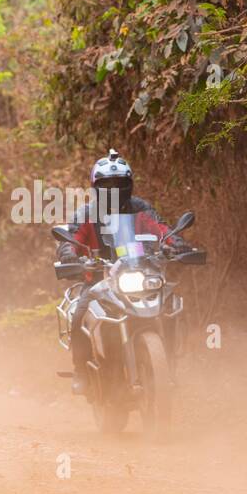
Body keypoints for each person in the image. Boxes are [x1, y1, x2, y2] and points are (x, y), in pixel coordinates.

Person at [56, 149, 186, 394]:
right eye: (108, 184)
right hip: (98, 280)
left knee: (170, 302)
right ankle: (81, 370)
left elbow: (161, 228)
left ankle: (169, 365)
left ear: (129, 185)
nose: (114, 189)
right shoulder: (86, 213)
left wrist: (175, 243)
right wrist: (70, 257)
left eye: (119, 183)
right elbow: (70, 240)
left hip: (139, 273)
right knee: (80, 311)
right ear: (96, 187)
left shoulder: (140, 209)